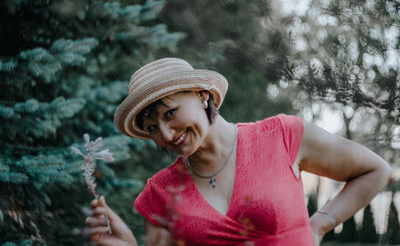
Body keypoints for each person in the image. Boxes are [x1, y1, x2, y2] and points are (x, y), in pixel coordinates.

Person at [86, 57, 391, 246]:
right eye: (152, 128)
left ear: (202, 95)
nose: (165, 134)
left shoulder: (281, 136)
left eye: (170, 114)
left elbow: (376, 170)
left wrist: (320, 224)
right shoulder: (159, 193)